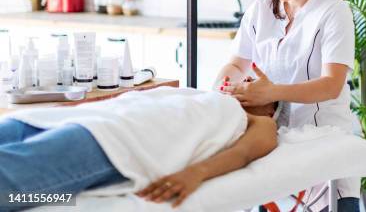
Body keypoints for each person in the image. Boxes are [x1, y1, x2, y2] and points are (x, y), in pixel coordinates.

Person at [216, 0, 360, 212]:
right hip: (271, 140)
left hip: (323, 135)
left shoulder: (333, 12)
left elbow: (331, 85)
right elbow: (236, 62)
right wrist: (221, 91)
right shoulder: (261, 8)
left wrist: (271, 92)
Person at [0, 89, 277, 211]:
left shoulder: (258, 121)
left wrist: (196, 173)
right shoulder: (200, 94)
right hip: (54, 120)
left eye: (254, 82)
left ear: (270, 105)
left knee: (8, 183)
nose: (243, 83)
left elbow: (245, 154)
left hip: (112, 142)